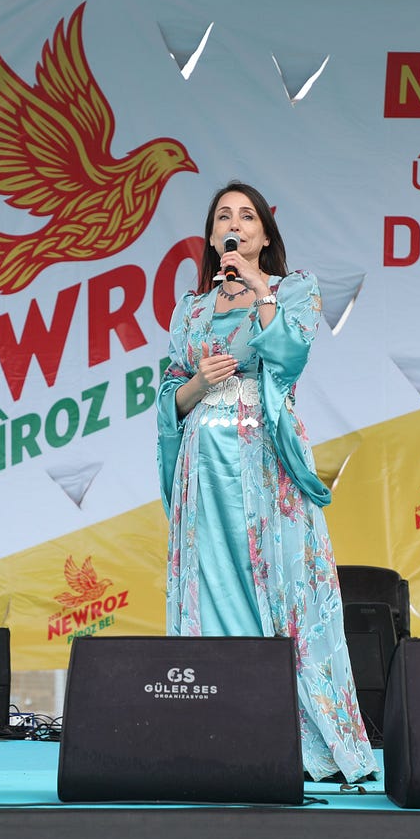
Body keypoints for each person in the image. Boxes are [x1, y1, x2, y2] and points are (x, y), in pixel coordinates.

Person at [156, 180, 376, 783]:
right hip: (203, 468)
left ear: (263, 234)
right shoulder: (191, 310)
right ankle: (219, 732)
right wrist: (198, 383)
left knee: (283, 587)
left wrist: (259, 289)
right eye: (223, 217)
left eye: (247, 216)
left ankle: (305, 741)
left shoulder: (293, 290)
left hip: (264, 462)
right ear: (211, 237)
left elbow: (290, 357)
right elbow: (170, 398)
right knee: (211, 589)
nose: (235, 225)